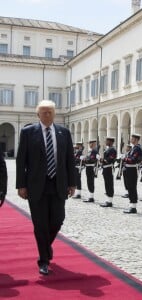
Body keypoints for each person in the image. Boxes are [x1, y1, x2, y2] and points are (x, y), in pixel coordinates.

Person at [16, 99, 76, 275]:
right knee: (40, 224)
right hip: (36, 185)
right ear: (38, 114)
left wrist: (72, 183)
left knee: (58, 219)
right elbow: (21, 160)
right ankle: (44, 259)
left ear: (55, 113)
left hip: (58, 183)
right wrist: (21, 185)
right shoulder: (28, 132)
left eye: (50, 111)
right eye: (43, 112)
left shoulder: (64, 133)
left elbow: (69, 159)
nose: (47, 114)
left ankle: (45, 248)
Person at [122, 133, 142, 213]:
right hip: (129, 169)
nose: (131, 139)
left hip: (132, 169)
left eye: (132, 138)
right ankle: (131, 205)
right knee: (130, 187)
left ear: (136, 139)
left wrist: (125, 159)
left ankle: (133, 206)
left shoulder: (137, 148)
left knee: (132, 187)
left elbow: (134, 159)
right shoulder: (133, 148)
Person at [99, 137, 117, 207]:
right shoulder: (108, 149)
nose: (105, 142)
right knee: (107, 184)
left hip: (109, 168)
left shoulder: (112, 149)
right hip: (106, 169)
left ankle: (110, 201)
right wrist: (101, 159)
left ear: (110, 141)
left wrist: (102, 160)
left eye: (107, 141)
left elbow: (110, 159)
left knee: (109, 184)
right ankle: (108, 200)